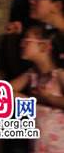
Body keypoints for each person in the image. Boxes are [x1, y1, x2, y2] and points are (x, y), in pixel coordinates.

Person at [10, 23, 64, 152]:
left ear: (44, 47)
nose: (21, 44)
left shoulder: (59, 76)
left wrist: (49, 98)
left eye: (26, 40)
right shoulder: (31, 75)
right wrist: (30, 102)